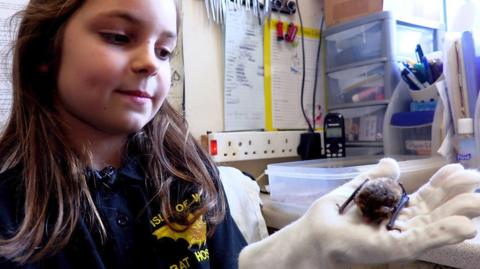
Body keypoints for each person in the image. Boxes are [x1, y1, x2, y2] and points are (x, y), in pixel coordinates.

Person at [1, 1, 480, 269]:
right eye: (119, 37)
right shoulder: (11, 207)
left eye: (166, 51)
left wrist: (297, 254)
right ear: (46, 53)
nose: (151, 62)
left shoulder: (188, 176)